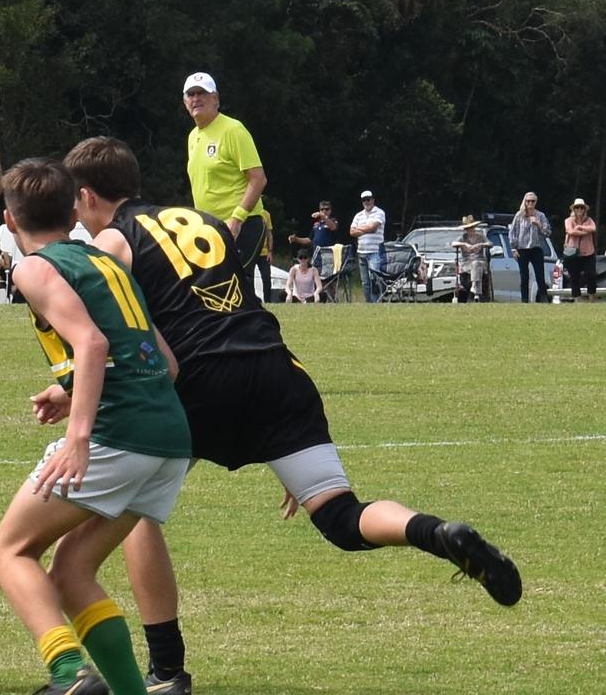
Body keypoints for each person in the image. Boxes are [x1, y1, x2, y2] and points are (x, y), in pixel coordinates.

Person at [63, 136, 523, 695]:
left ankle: (167, 670)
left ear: (86, 197)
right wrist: (266, 437)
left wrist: (71, 391)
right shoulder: (200, 219)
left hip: (201, 379)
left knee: (138, 512)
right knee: (341, 517)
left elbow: (124, 334)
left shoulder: (112, 240)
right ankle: (437, 533)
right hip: (280, 371)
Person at [0, 158, 191, 695]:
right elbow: (164, 364)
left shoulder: (33, 268)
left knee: (8, 552)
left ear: (11, 219)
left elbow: (93, 344)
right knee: (73, 573)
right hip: (169, 437)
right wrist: (70, 389)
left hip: (116, 435)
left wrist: (79, 438)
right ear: (71, 209)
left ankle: (68, 671)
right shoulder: (107, 262)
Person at [181, 72, 268, 277]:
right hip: (210, 227)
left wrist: (237, 219)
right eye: (191, 94)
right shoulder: (193, 137)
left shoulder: (233, 130)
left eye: (202, 93)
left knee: (235, 286)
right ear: (185, 102)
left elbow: (258, 178)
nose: (196, 99)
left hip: (242, 225)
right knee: (215, 290)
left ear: (215, 99)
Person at [508, 191, 551, 303]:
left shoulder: (540, 215)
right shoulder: (519, 215)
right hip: (522, 249)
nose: (530, 203)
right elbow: (513, 232)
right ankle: (524, 300)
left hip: (536, 249)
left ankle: (543, 299)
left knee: (540, 276)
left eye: (533, 201)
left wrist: (538, 223)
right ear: (525, 202)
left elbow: (547, 232)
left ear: (536, 202)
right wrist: (513, 248)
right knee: (524, 276)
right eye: (528, 201)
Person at [349, 190, 386, 302]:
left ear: (373, 200)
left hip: (375, 251)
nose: (366, 202)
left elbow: (373, 228)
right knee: (365, 282)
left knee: (375, 279)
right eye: (364, 200)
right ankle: (369, 303)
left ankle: (378, 302)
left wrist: (360, 229)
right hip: (361, 252)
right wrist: (367, 228)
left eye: (368, 199)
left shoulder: (379, 212)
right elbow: (351, 232)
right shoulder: (358, 215)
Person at [562, 198, 597, 302]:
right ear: (574, 209)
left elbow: (593, 228)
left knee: (591, 275)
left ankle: (591, 299)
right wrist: (585, 231)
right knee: (574, 277)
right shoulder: (568, 220)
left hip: (588, 253)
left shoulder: (589, 220)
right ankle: (577, 300)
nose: (579, 209)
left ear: (584, 209)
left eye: (581, 207)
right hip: (573, 254)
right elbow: (570, 231)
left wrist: (579, 227)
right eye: (577, 207)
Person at [450, 216, 490, 302]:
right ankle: (476, 292)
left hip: (480, 261)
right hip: (466, 263)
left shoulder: (480, 236)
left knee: (476, 264)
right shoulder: (463, 237)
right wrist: (464, 245)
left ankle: (474, 287)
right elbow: (453, 243)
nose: (469, 230)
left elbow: (490, 243)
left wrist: (481, 245)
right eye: (467, 229)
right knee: (475, 265)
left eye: (471, 228)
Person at [254, 210, 274, 302]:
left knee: (266, 277)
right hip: (251, 252)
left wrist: (270, 251)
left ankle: (267, 300)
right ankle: (252, 300)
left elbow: (269, 234)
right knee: (248, 278)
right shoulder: (246, 212)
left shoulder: (266, 214)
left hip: (264, 252)